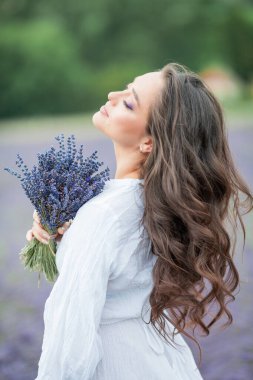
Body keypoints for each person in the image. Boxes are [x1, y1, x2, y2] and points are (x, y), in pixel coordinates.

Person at [26, 62, 252, 379]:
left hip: (115, 362)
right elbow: (120, 276)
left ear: (149, 142)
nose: (112, 94)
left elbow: (69, 338)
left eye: (129, 101)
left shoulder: (105, 213)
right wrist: (64, 239)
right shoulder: (153, 203)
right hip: (153, 358)